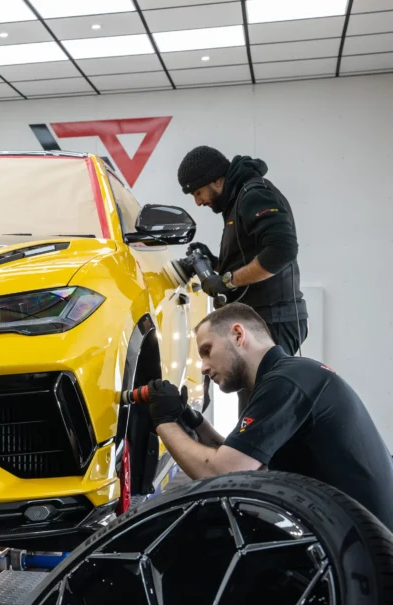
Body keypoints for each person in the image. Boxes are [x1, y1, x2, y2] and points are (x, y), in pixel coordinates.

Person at [146, 303, 393, 531]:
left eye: (207, 351)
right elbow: (249, 461)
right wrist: (195, 422)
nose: (204, 367)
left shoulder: (284, 382)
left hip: (369, 551)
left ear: (238, 335)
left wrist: (163, 421)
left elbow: (222, 473)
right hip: (361, 536)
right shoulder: (294, 373)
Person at [177, 146, 308, 356]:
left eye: (198, 192)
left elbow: (282, 250)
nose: (198, 202)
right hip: (258, 320)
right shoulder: (236, 200)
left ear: (216, 181)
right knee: (254, 389)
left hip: (272, 321)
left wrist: (228, 280)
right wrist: (216, 263)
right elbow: (248, 258)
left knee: (266, 388)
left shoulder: (254, 195)